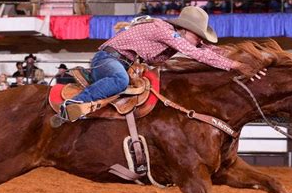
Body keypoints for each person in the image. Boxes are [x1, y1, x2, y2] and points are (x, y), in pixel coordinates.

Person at [55, 7, 260, 124]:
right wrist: (233, 65)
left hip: (119, 61)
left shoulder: (174, 38)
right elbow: (196, 53)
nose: (200, 41)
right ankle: (73, 104)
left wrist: (245, 61)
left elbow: (207, 50)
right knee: (120, 80)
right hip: (108, 59)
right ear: (186, 30)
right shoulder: (165, 30)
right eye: (198, 36)